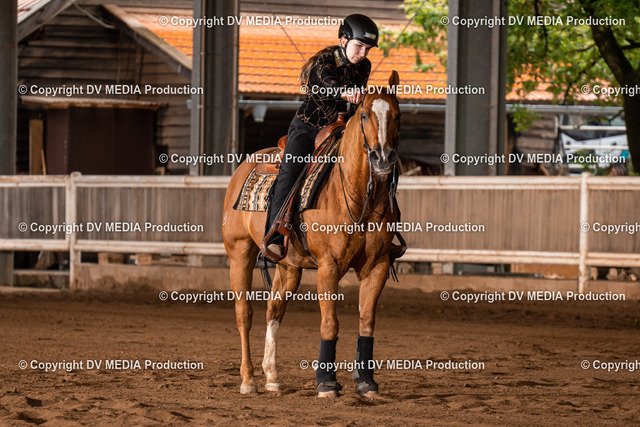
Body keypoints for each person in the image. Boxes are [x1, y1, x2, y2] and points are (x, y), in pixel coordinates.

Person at [264, 14, 379, 256]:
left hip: (341, 128)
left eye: (367, 49)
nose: (363, 53)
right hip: (309, 127)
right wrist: (345, 93)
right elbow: (327, 86)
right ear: (343, 40)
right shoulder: (324, 62)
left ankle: (380, 233)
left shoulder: (364, 66)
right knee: (290, 172)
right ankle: (274, 235)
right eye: (359, 46)